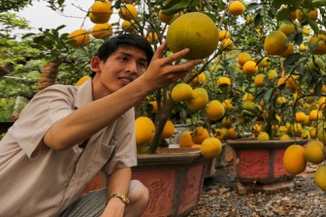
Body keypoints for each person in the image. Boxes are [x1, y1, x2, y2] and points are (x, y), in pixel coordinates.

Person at [0, 34, 201, 217]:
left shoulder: (123, 114)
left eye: (141, 64)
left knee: (136, 193)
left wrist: (117, 202)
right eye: (123, 59)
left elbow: (121, 165)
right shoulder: (55, 96)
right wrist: (145, 84)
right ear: (96, 64)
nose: (133, 69)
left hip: (57, 212)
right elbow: (59, 137)